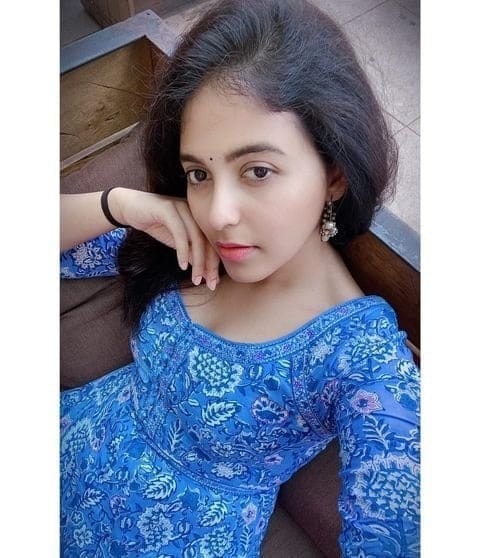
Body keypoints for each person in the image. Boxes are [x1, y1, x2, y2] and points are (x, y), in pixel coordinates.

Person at [60, 0, 420, 556]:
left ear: (335, 175)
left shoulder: (359, 355)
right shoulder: (187, 237)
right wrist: (119, 205)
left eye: (257, 170)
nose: (219, 212)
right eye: (199, 173)